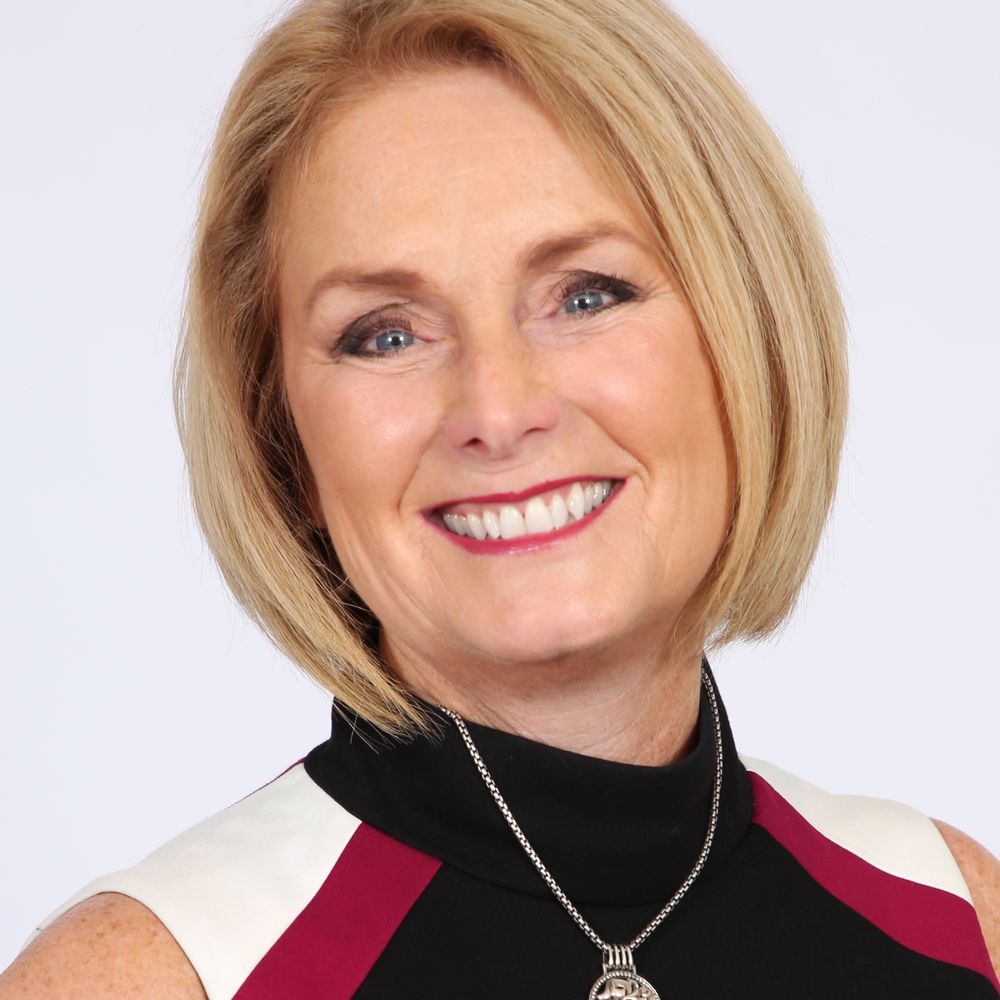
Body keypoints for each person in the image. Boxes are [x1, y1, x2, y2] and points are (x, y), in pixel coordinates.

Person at [3, 0, 997, 997]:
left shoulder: (960, 920)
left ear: (751, 338)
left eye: (587, 294)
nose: (499, 410)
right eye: (386, 334)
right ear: (284, 440)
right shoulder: (142, 978)